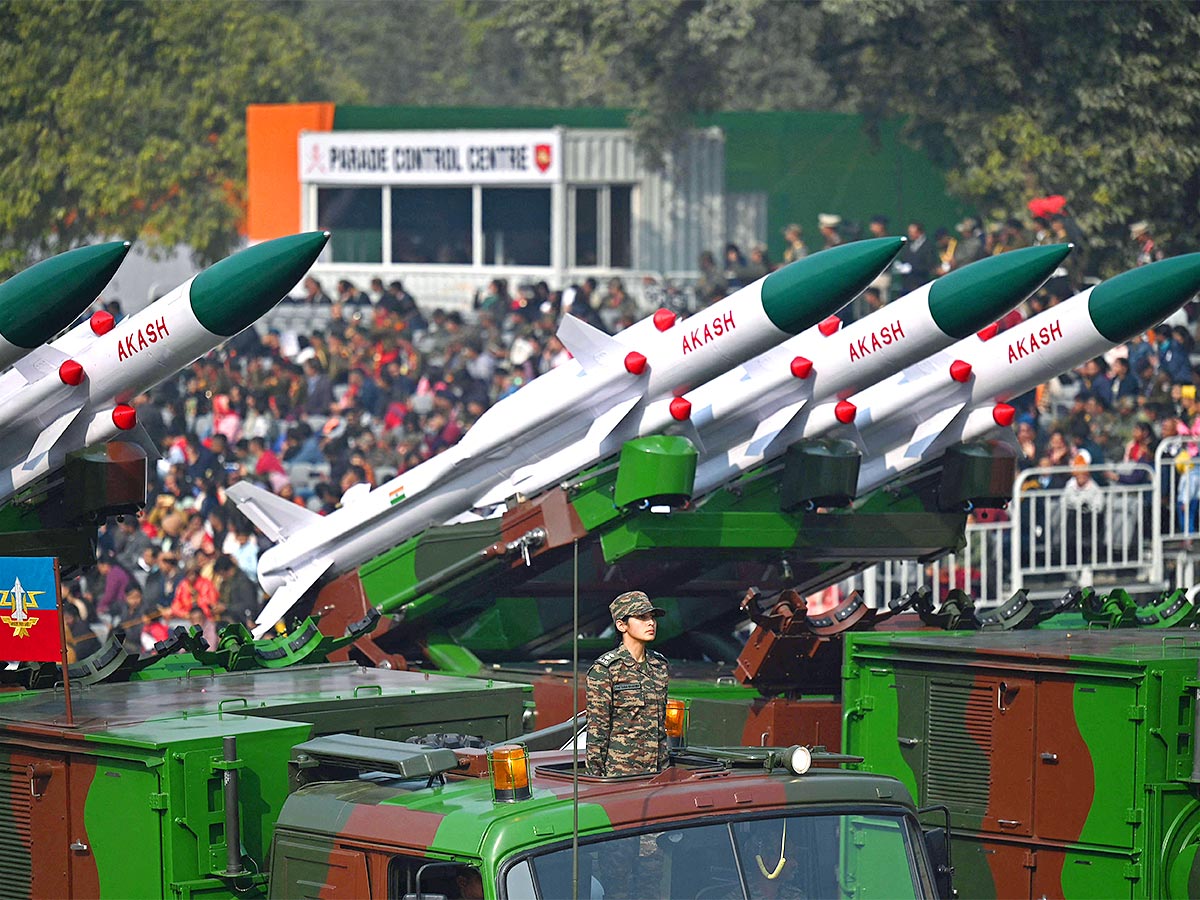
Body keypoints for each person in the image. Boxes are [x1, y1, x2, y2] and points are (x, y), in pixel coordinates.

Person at [585, 590, 669, 777]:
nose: (650, 623)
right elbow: (597, 731)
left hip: (657, 773)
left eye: (652, 617)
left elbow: (660, 725)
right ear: (622, 625)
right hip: (621, 775)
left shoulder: (659, 666)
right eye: (641, 617)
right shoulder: (605, 670)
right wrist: (596, 779)